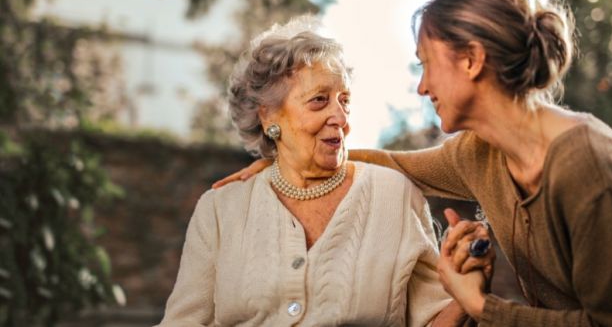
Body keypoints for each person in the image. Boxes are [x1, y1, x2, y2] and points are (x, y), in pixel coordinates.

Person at [212, 0, 612, 327]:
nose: (422, 87)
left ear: (471, 60)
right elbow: (393, 164)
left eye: (426, 65)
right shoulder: (481, 153)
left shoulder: (590, 169)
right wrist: (287, 160)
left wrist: (481, 306)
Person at [157, 16, 493, 326]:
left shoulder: (395, 196)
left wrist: (466, 297)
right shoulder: (220, 210)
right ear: (268, 116)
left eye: (344, 100)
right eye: (320, 100)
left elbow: (433, 320)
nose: (341, 118)